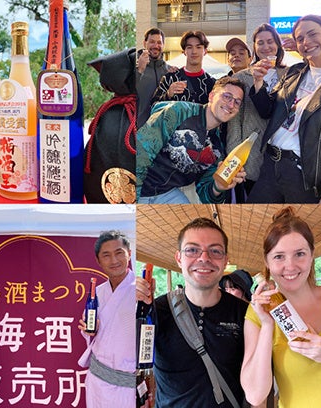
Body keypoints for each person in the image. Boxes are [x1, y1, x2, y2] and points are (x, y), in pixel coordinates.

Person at [135, 218, 250, 407]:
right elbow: (126, 359)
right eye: (192, 250)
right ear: (179, 258)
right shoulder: (156, 310)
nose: (204, 258)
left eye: (215, 251)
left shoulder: (244, 313)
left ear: (225, 261)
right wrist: (127, 310)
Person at [241, 207, 321, 407]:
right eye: (279, 256)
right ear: (267, 262)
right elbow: (254, 395)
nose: (290, 266)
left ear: (312, 255)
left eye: (299, 254)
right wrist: (267, 325)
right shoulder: (258, 313)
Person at [249, 15, 321, 204]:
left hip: (304, 176)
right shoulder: (294, 72)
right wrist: (258, 82)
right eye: (300, 38)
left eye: (312, 34)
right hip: (270, 166)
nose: (306, 42)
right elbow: (267, 110)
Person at [136, 76, 247, 204]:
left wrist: (218, 186)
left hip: (166, 193)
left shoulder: (216, 147)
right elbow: (141, 154)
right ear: (211, 96)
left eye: (237, 102)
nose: (231, 105)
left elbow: (205, 192)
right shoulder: (177, 112)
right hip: (139, 188)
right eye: (227, 96)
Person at [226, 24, 289, 203]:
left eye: (270, 41)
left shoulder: (290, 75)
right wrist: (234, 160)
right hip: (251, 155)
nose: (266, 47)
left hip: (284, 156)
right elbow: (234, 123)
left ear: (278, 44)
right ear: (254, 47)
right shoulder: (241, 77)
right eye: (260, 43)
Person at [79, 231, 136, 407]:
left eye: (119, 253)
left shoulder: (140, 291)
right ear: (98, 261)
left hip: (127, 385)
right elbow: (90, 331)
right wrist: (89, 330)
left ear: (129, 254)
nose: (114, 260)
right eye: (106, 255)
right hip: (97, 380)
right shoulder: (97, 292)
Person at [153, 31, 217, 104]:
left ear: (205, 51)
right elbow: (153, 105)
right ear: (184, 51)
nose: (194, 51)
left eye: (198, 47)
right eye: (189, 47)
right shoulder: (170, 78)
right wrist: (168, 94)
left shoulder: (212, 83)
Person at [137, 28, 177, 129]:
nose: (156, 46)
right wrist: (139, 70)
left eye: (159, 42)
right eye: (152, 42)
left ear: (163, 45)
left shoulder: (170, 71)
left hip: (162, 131)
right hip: (138, 129)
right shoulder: (134, 69)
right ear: (144, 43)